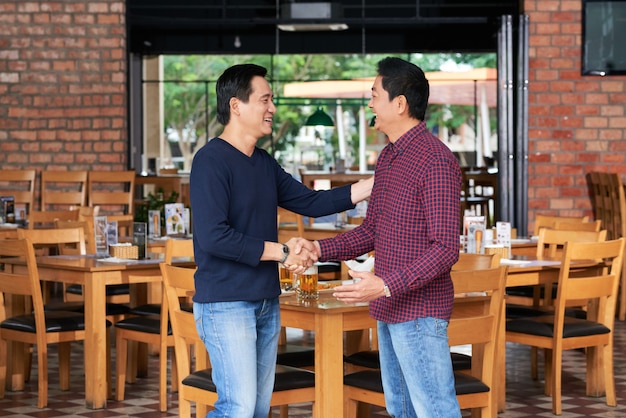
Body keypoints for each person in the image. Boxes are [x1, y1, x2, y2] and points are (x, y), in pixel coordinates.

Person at [189, 63, 373, 418]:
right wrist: (282, 252)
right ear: (236, 106)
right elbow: (213, 237)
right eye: (266, 99)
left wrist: (370, 185)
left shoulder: (263, 163)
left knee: (257, 410)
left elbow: (312, 202)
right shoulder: (210, 161)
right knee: (237, 409)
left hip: (265, 301)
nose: (273, 108)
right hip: (226, 303)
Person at [314, 57, 463, 417]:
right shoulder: (388, 158)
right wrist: (318, 248)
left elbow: (445, 249)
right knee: (402, 412)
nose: (370, 104)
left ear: (400, 104)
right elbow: (370, 232)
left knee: (435, 412)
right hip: (390, 309)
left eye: (374, 95)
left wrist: (384, 285)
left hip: (420, 313)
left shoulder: (436, 161)